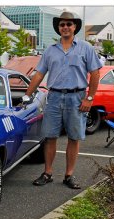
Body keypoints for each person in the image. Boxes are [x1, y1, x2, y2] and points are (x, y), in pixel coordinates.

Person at [22, 11, 102, 189]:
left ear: (74, 27)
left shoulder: (86, 48)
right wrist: (27, 95)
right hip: (54, 97)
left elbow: (95, 73)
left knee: (74, 138)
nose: (65, 27)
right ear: (59, 28)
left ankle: (69, 175)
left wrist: (89, 98)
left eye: (69, 24)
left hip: (77, 97)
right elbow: (39, 74)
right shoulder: (50, 51)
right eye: (62, 25)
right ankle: (48, 173)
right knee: (50, 137)